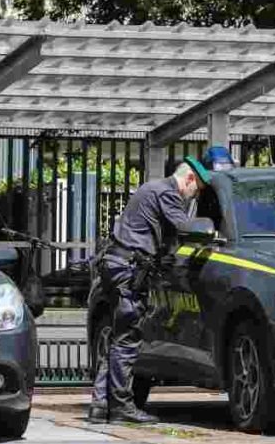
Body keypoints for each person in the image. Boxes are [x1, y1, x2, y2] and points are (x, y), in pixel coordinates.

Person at [88, 156, 211, 424]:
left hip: (116, 266)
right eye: (197, 190)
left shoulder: (150, 189)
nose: (193, 197)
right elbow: (184, 227)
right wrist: (211, 233)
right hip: (129, 272)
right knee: (127, 340)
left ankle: (100, 405)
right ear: (189, 179)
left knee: (115, 338)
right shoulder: (167, 193)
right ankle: (121, 407)